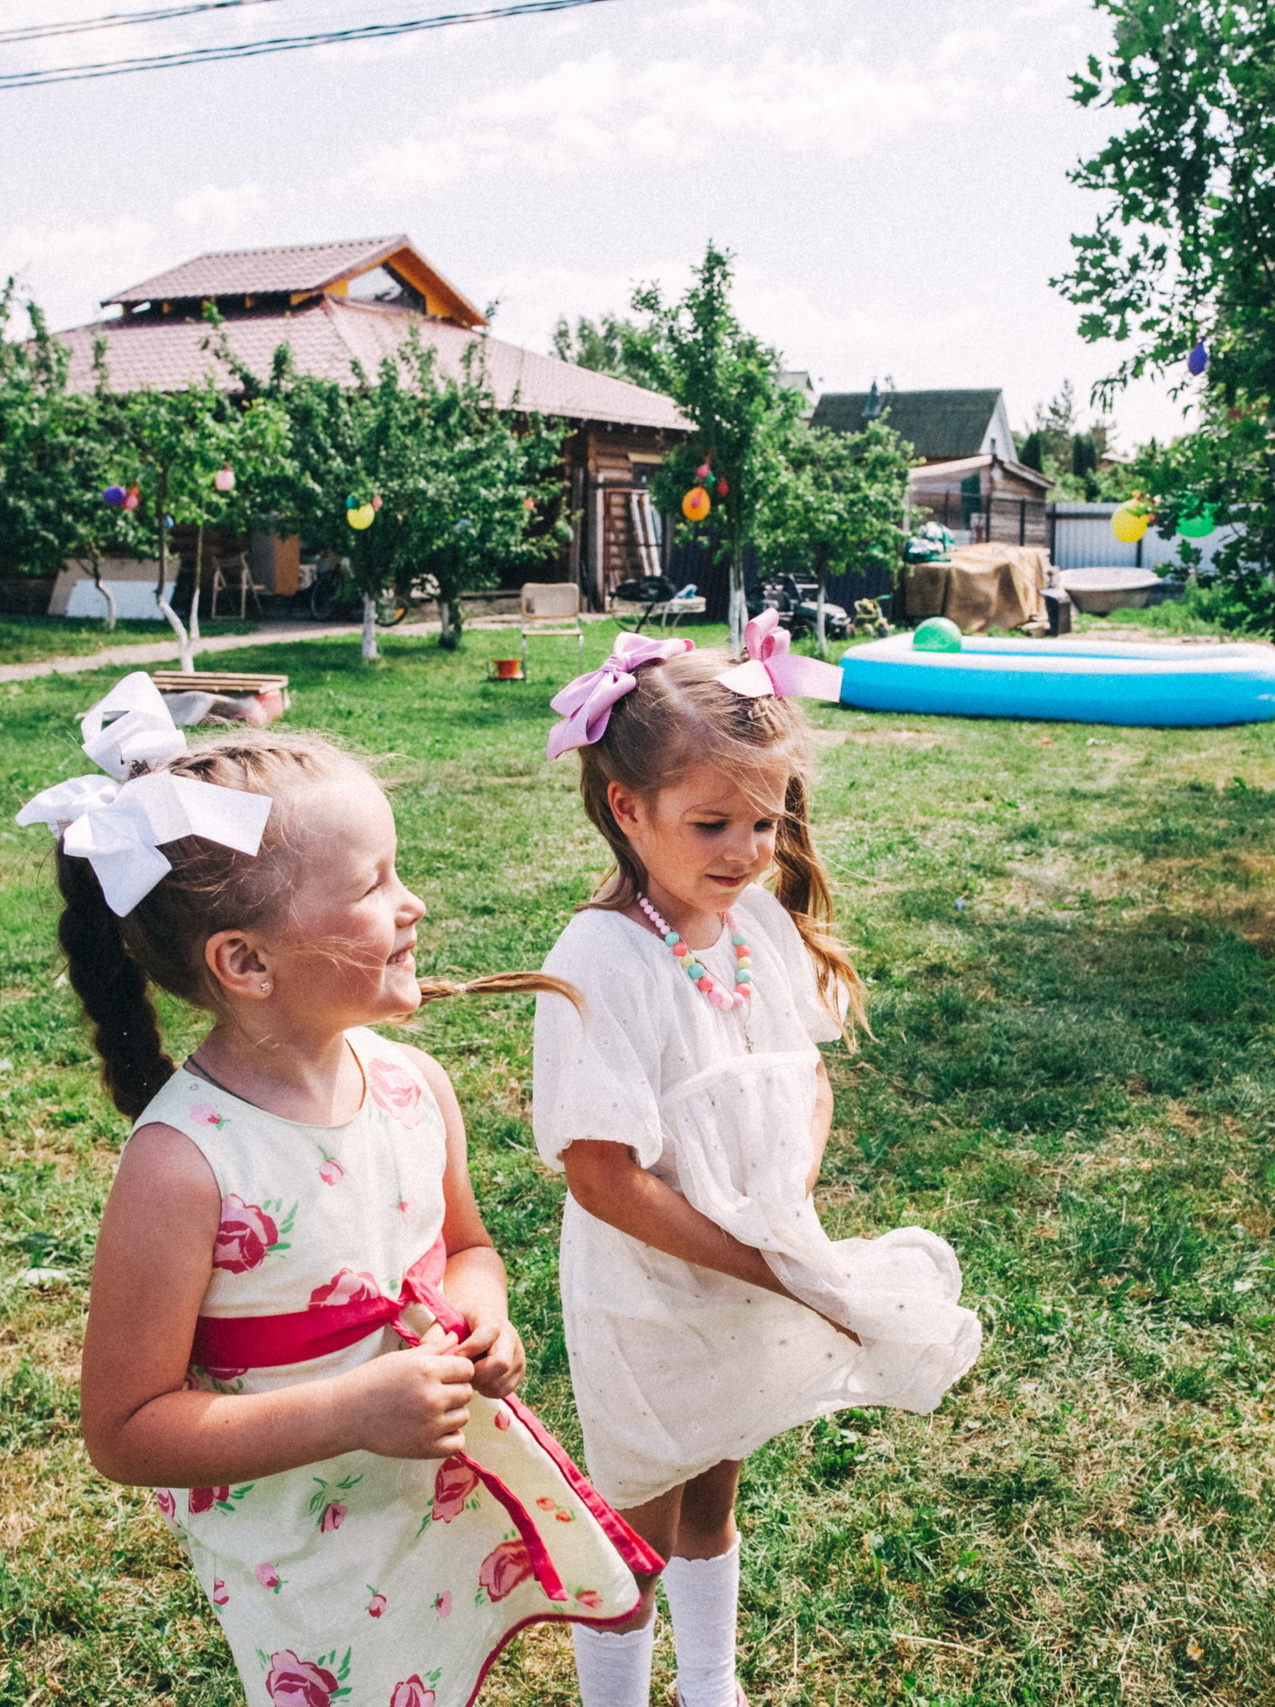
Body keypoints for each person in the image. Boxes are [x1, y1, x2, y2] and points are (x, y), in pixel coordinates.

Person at [32, 674, 658, 1707]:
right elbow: (128, 1428)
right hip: (303, 1549)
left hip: (434, 1499)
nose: (412, 903)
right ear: (245, 961)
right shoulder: (184, 1164)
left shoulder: (415, 1087)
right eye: (372, 885)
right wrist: (353, 1410)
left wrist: (482, 1316)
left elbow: (467, 1249)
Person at [531, 620, 982, 1707]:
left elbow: (805, 1077)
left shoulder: (755, 928)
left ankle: (715, 1683)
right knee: (637, 1516)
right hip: (653, 1289)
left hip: (747, 1259)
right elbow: (601, 1175)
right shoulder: (598, 961)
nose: (742, 850)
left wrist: (788, 1206)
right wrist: (764, 1258)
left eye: (763, 822)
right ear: (625, 809)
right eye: (710, 823)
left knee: (715, 1478)